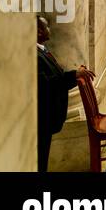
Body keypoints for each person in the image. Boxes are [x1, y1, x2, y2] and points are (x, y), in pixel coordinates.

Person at [36, 16, 77, 171]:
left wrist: (75, 75)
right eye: (46, 27)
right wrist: (73, 76)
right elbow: (47, 84)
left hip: (47, 121)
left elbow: (55, 77)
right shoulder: (34, 55)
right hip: (41, 120)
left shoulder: (42, 51)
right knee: (40, 161)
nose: (50, 30)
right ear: (38, 31)